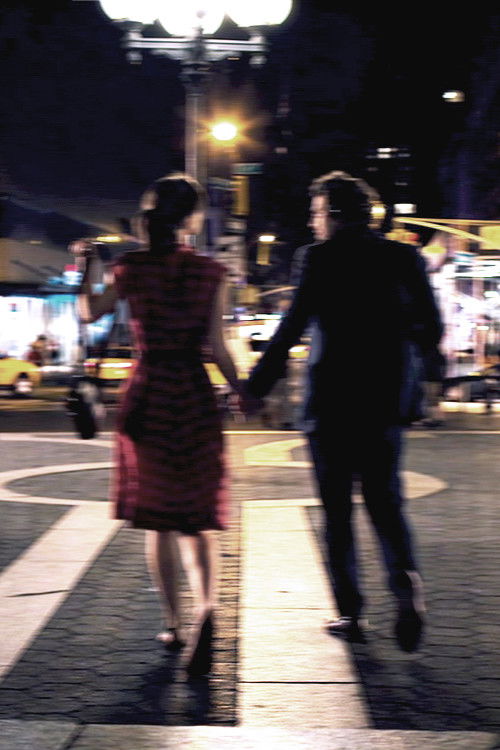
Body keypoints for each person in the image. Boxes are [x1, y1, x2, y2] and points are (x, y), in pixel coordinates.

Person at [246, 171, 443, 652]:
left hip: (332, 399)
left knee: (337, 510)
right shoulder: (404, 256)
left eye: (316, 213)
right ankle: (405, 582)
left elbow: (292, 326)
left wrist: (256, 387)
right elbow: (432, 327)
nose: (312, 223)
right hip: (385, 400)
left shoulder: (318, 257)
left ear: (333, 214)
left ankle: (351, 612)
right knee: (385, 502)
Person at [72, 173, 249, 676]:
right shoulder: (210, 273)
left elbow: (88, 312)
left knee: (159, 519)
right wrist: (243, 390)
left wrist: (87, 268)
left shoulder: (130, 268)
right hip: (192, 396)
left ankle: (174, 623)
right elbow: (217, 346)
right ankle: (207, 607)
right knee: (196, 517)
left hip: (148, 395)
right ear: (191, 219)